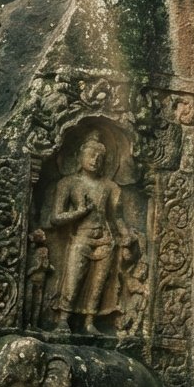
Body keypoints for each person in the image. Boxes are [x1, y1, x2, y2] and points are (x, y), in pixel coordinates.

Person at [50, 130, 134, 333]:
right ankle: (63, 319)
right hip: (81, 238)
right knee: (73, 281)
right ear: (79, 156)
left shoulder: (110, 187)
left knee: (99, 285)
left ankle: (90, 321)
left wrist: (125, 235)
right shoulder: (68, 183)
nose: (95, 160)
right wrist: (79, 212)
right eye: (91, 155)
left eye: (100, 157)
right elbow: (56, 218)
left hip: (105, 239)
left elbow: (116, 217)